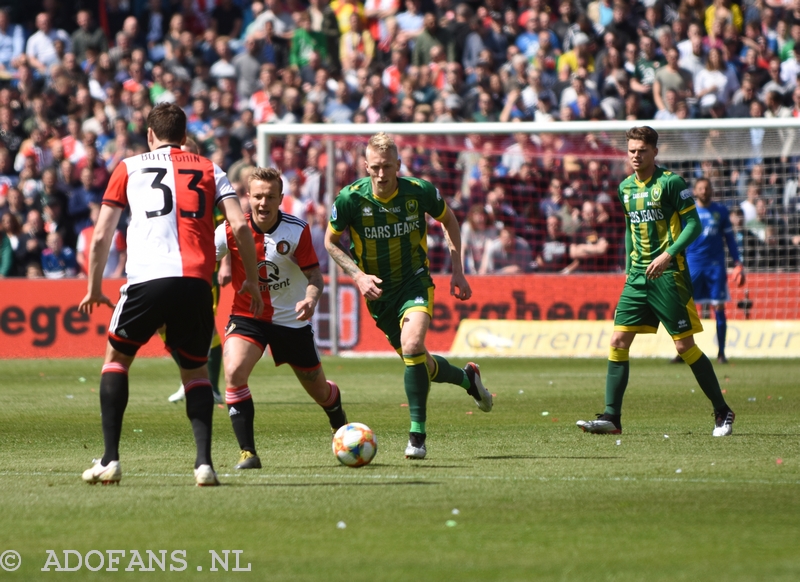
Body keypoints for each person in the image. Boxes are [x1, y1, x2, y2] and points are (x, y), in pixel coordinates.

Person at [78, 103, 264, 487]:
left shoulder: (128, 167)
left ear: (150, 135)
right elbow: (241, 227)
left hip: (146, 279)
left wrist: (95, 286)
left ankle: (110, 459)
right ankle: (204, 465)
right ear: (184, 136)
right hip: (196, 281)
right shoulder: (212, 169)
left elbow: (101, 235)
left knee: (116, 359)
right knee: (195, 371)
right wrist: (253, 281)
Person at [324, 132, 492, 461]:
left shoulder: (418, 192)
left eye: (388, 166)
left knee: (414, 347)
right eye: (375, 167)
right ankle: (467, 379)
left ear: (398, 165)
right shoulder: (350, 199)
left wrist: (457, 270)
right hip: (378, 294)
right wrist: (357, 276)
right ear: (366, 166)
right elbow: (331, 242)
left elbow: (450, 221)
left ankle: (417, 436)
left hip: (415, 282)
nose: (382, 174)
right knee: (420, 363)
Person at [577, 127, 735, 438]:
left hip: (669, 275)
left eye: (642, 150)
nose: (636, 156)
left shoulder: (671, 183)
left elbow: (693, 224)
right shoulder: (624, 188)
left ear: (654, 152)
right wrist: (627, 268)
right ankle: (612, 417)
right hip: (636, 277)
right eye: (632, 150)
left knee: (683, 345)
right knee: (618, 342)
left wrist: (668, 254)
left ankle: (722, 410)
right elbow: (628, 228)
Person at [217, 167, 349, 470]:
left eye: (270, 197)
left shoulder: (296, 230)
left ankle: (337, 416)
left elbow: (314, 275)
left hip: (291, 321)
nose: (263, 203)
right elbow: (201, 257)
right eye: (258, 196)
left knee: (320, 392)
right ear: (247, 197)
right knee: (234, 370)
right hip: (248, 315)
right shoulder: (230, 229)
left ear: (280, 199)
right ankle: (248, 452)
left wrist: (311, 298)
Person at [671, 178, 744, 364]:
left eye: (707, 188)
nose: (704, 191)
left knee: (719, 307)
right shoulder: (687, 211)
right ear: (695, 191)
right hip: (692, 265)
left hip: (715, 267)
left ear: (711, 190)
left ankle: (721, 353)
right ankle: (683, 351)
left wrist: (738, 262)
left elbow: (730, 239)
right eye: (700, 188)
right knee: (684, 308)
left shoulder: (720, 211)